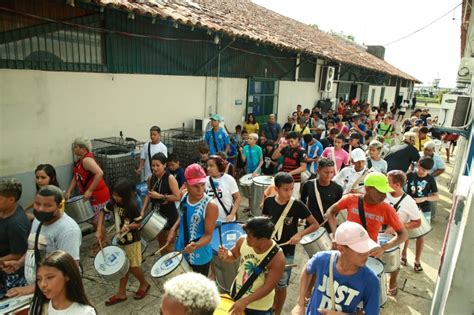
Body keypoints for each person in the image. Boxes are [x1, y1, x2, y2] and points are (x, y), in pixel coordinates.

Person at [7, 185, 81, 298]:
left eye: (47, 205)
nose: (40, 209)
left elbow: (71, 269)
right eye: (37, 204)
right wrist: (20, 262)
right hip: (39, 288)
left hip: (57, 293)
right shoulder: (39, 220)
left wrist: (32, 288)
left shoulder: (68, 230)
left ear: (59, 206)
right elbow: (35, 246)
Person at [291, 221, 381, 315]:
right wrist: (300, 304)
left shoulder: (371, 280)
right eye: (360, 252)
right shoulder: (322, 259)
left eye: (367, 249)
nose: (366, 255)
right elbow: (307, 269)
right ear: (341, 248)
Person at [262, 172, 319, 315]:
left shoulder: (297, 205)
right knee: (267, 280)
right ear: (276, 188)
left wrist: (299, 234)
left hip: (287, 251)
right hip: (269, 249)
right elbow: (265, 220)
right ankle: (270, 305)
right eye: (285, 189)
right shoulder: (268, 202)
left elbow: (314, 224)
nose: (289, 193)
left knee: (281, 284)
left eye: (291, 189)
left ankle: (278, 311)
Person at [97, 178, 150, 305]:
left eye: (118, 195)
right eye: (113, 194)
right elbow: (102, 213)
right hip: (120, 240)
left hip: (132, 241)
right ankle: (121, 293)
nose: (115, 197)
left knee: (133, 267)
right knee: (122, 265)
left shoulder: (132, 206)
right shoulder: (113, 203)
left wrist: (128, 227)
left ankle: (144, 284)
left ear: (125, 195)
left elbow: (138, 224)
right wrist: (99, 229)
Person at [218, 216, 286, 315]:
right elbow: (233, 255)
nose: (247, 238)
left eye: (250, 236)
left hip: (259, 308)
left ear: (262, 239)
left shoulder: (278, 258)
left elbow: (268, 287)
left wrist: (245, 301)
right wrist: (226, 255)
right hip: (237, 295)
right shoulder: (243, 240)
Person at [325, 172, 408, 248]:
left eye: (385, 192)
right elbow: (330, 212)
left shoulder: (387, 209)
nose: (384, 196)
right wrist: (336, 236)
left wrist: (383, 248)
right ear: (367, 189)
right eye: (380, 192)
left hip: (368, 252)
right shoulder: (350, 199)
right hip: (346, 247)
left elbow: (403, 234)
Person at [65, 137, 109, 257]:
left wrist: (90, 190)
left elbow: (100, 173)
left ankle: (103, 243)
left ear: (82, 149)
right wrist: (69, 190)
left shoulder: (86, 160)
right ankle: (101, 240)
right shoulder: (80, 161)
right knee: (95, 221)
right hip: (92, 195)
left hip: (98, 195)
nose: (74, 149)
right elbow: (76, 176)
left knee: (97, 221)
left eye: (76, 147)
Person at [174, 164, 218, 276]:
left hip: (200, 255)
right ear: (186, 185)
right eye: (195, 186)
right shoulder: (183, 195)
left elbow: (208, 235)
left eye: (202, 185)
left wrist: (196, 245)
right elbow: (183, 217)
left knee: (198, 289)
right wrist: (173, 229)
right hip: (181, 248)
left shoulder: (210, 206)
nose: (200, 190)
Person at [385, 170, 422, 296]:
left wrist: (398, 226)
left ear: (397, 185)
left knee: (393, 263)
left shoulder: (409, 202)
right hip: (378, 233)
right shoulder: (383, 193)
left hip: (396, 238)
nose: (385, 183)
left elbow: (417, 222)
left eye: (388, 181)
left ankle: (392, 282)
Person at [30, 250, 96, 315]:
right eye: (39, 279)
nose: (43, 284)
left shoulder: (84, 313)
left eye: (50, 277)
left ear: (67, 275)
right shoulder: (37, 307)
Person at [140, 153, 180, 254]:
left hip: (169, 213)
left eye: (158, 165)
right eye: (153, 165)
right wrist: (142, 210)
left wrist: (160, 196)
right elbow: (148, 195)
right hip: (156, 214)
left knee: (168, 243)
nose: (155, 168)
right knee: (161, 242)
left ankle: (172, 264)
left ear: (164, 165)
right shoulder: (151, 178)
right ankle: (163, 261)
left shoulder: (170, 178)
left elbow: (177, 196)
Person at [405, 157, 439, 273]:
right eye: (420, 167)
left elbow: (436, 196)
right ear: (418, 164)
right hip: (409, 208)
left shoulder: (430, 179)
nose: (421, 171)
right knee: (406, 232)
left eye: (424, 170)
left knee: (421, 235)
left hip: (424, 209)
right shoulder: (410, 176)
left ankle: (417, 260)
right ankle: (403, 254)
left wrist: (425, 198)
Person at [0, 179, 30, 299]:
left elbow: (18, 254)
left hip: (11, 273)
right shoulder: (5, 210)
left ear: (11, 199)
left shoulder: (15, 224)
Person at [301, 158, 343, 232]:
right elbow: (303, 202)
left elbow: (337, 209)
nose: (329, 175)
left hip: (329, 227)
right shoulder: (308, 185)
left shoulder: (338, 189)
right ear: (318, 171)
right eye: (326, 172)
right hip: (311, 226)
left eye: (331, 172)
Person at [271, 132, 307, 199]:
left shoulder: (301, 151)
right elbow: (273, 157)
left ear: (297, 139)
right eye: (288, 142)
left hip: (295, 181)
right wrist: (280, 147)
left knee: (294, 199)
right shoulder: (286, 148)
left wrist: (290, 173)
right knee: (282, 198)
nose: (290, 143)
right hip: (284, 179)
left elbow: (303, 167)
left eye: (292, 141)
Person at [205, 155, 241, 222]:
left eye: (211, 166)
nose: (208, 168)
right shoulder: (205, 181)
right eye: (207, 166)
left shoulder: (229, 179)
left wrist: (232, 214)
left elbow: (237, 198)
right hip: (211, 222)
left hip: (227, 220)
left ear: (219, 167)